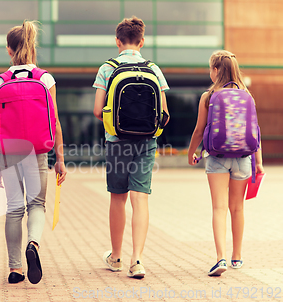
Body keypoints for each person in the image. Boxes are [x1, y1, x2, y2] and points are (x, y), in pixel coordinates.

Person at [93, 16, 170, 279]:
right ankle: (137, 261)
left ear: (117, 41)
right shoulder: (154, 69)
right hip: (146, 142)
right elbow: (164, 113)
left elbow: (96, 110)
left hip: (117, 142)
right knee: (140, 198)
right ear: (142, 41)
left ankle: (116, 257)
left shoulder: (107, 68)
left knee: (118, 197)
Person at [0, 20, 67, 284]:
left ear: (9, 51)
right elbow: (54, 121)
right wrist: (61, 160)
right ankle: (33, 244)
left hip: (10, 152)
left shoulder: (0, 83)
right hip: (38, 151)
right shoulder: (45, 79)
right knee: (37, 205)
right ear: (32, 47)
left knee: (13, 209)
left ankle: (15, 269)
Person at [187, 50, 264, 276]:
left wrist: (192, 153)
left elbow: (199, 130)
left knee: (219, 208)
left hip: (217, 158)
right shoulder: (247, 95)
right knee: (238, 208)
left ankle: (220, 258)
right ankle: (237, 257)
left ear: (216, 70)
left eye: (211, 68)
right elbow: (255, 131)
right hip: (243, 158)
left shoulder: (209, 96)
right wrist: (258, 162)